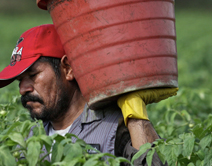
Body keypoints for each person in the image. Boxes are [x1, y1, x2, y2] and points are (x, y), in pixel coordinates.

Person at [0, 24, 168, 165]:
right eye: (19, 80)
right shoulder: (29, 139)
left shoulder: (113, 128)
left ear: (68, 68)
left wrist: (136, 114)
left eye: (33, 75)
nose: (23, 89)